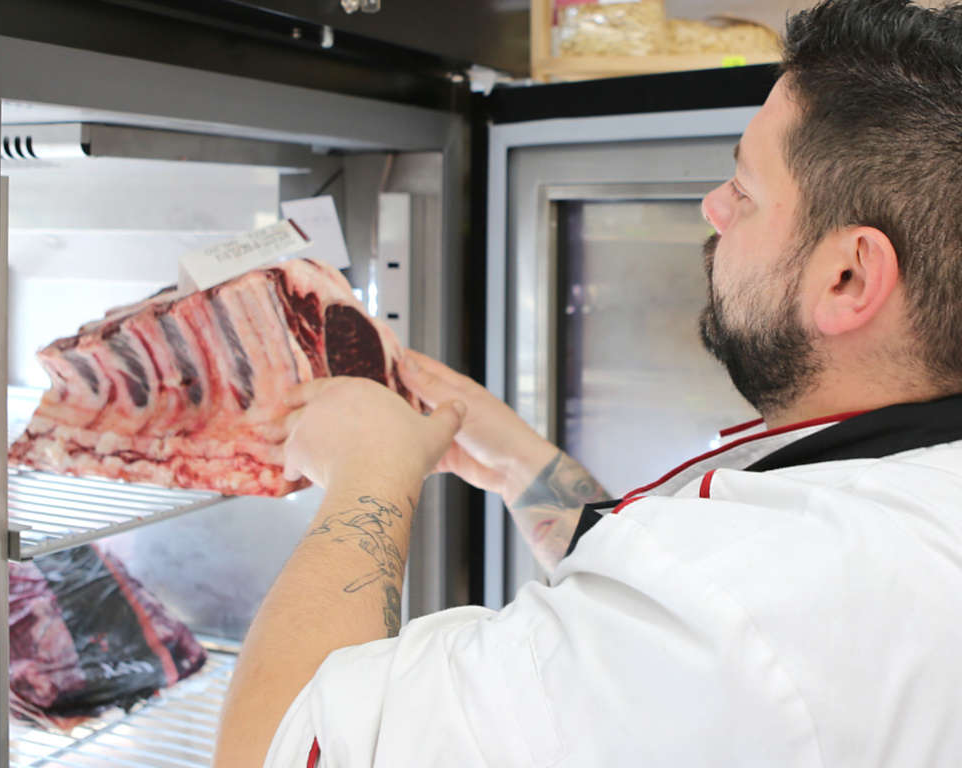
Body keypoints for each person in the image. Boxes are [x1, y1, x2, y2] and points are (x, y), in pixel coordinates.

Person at [213, 0, 962, 764]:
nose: (713, 207)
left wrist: (367, 474)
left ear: (847, 277)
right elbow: (646, 604)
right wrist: (517, 464)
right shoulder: (911, 491)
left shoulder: (761, 620)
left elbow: (271, 751)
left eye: (744, 188)